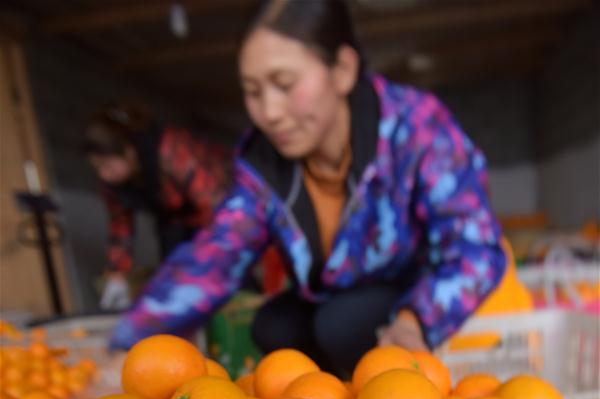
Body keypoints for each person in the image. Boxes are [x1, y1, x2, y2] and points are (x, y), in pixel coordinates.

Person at [109, 0, 508, 375]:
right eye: (252, 91)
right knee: (272, 327)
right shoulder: (263, 165)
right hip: (334, 299)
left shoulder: (415, 127)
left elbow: (476, 249)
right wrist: (128, 343)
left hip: (403, 295)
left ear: (342, 70)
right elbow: (215, 255)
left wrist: (416, 321)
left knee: (341, 325)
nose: (270, 113)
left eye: (284, 84)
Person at [83, 102, 230, 310]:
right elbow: (120, 225)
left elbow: (216, 204)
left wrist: (211, 251)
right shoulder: (114, 184)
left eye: (107, 165)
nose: (103, 174)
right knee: (175, 284)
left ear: (129, 151)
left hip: (211, 217)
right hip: (172, 222)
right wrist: (117, 272)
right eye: (97, 168)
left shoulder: (171, 151)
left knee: (220, 278)